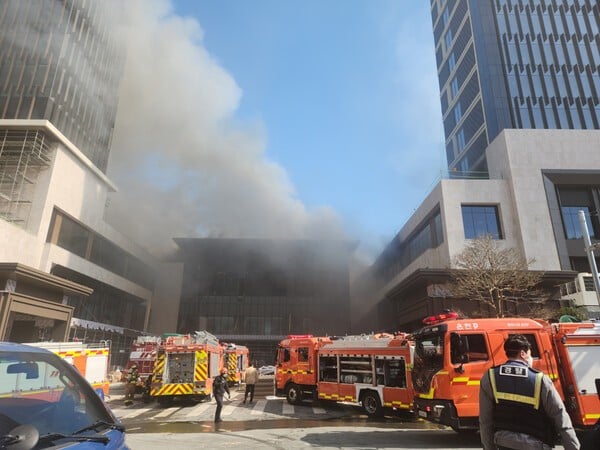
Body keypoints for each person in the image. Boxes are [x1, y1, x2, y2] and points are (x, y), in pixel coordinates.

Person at [479, 334, 580, 450]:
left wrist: (489, 447)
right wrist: (573, 447)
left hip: (503, 443)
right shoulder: (539, 379)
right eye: (530, 354)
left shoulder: (490, 376)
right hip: (535, 444)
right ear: (523, 354)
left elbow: (485, 420)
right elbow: (560, 417)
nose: (531, 358)